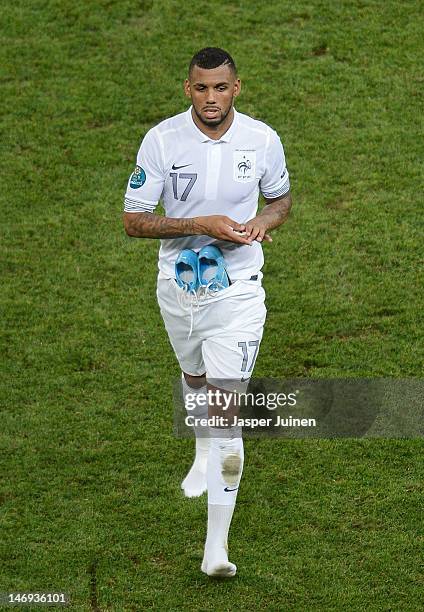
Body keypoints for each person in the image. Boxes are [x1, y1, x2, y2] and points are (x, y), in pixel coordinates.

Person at [123, 47, 292, 577]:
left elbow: (281, 199)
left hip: (239, 291)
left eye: (221, 88)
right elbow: (133, 220)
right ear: (187, 89)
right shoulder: (162, 140)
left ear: (236, 88)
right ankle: (203, 448)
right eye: (201, 88)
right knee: (192, 375)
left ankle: (215, 549)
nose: (211, 98)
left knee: (226, 416)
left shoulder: (262, 140)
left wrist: (264, 222)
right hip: (179, 286)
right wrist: (203, 225)